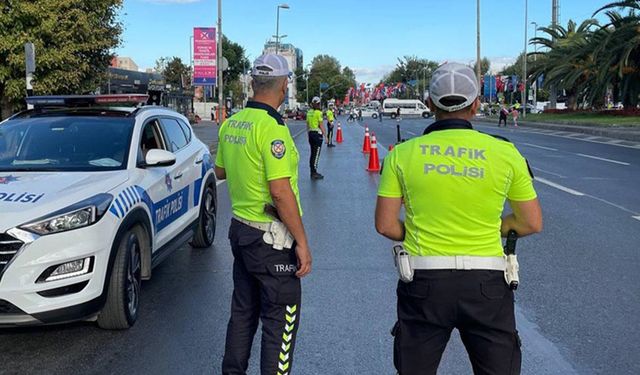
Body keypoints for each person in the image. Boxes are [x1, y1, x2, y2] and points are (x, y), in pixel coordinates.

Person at [375, 62, 542, 375]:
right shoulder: (505, 153)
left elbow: (385, 225)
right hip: (487, 286)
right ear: (476, 105)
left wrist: (422, 229)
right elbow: (530, 222)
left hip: (424, 283)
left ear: (429, 104)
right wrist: (495, 227)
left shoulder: (402, 153)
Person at [215, 53, 313, 375]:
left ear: (254, 83)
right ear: (283, 86)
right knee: (279, 322)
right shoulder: (272, 129)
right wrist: (301, 242)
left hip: (240, 232)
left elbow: (220, 171)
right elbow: (281, 193)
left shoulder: (231, 124)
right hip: (271, 241)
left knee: (243, 313)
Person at [307, 96, 326, 179]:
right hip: (317, 134)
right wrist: (326, 136)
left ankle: (312, 171)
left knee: (312, 153)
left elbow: (307, 124)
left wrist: (308, 134)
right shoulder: (319, 113)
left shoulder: (309, 112)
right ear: (318, 104)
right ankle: (314, 172)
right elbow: (321, 125)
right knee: (316, 154)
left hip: (311, 133)